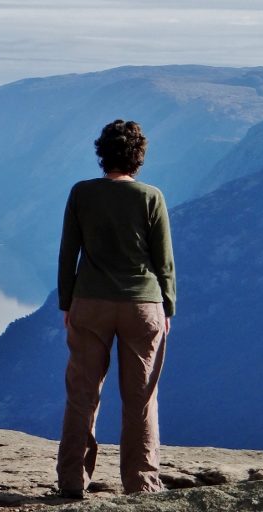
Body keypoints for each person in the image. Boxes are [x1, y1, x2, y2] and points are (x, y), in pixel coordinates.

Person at [55, 119, 176, 498]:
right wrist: (167, 306)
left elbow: (67, 254)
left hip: (89, 303)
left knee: (82, 394)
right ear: (139, 157)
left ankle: (72, 481)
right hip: (142, 305)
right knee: (141, 398)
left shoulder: (81, 194)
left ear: (101, 154)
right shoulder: (150, 197)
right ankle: (141, 485)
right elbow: (164, 261)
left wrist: (67, 303)